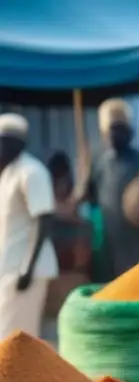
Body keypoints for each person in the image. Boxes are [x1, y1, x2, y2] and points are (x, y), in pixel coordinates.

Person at [81, 99, 139, 282]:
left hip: (136, 238)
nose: (115, 136)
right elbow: (89, 195)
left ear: (129, 133)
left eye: (120, 131)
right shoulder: (98, 161)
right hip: (108, 235)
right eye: (111, 131)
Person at [0, 114, 56, 338]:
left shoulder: (32, 172)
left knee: (16, 337)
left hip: (27, 271)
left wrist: (28, 268)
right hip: (10, 269)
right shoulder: (7, 175)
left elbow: (44, 219)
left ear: (17, 143)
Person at [46, 152, 91, 274]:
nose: (62, 185)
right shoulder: (47, 204)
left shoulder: (76, 205)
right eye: (58, 180)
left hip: (76, 270)